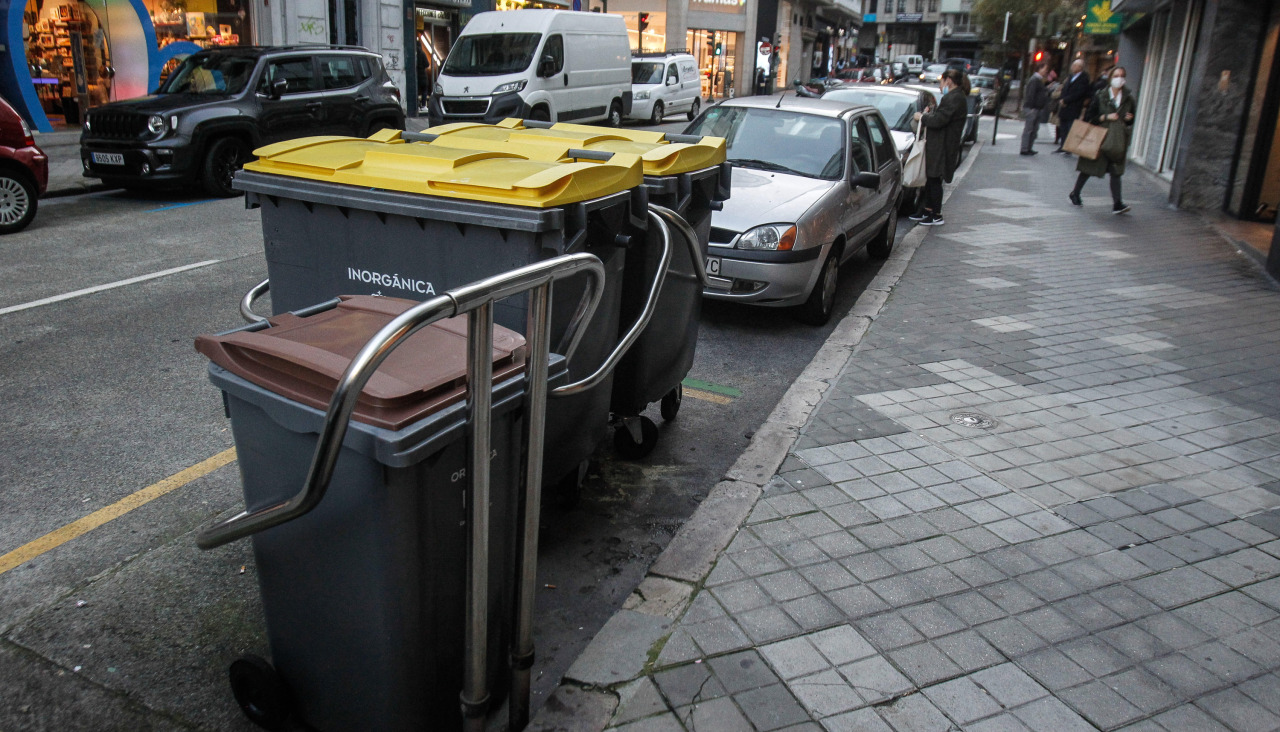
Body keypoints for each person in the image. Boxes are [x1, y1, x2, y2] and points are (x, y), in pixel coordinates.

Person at [1069, 66, 1137, 214]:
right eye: (1116, 75)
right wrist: (1105, 117)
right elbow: (1090, 117)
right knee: (1088, 167)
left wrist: (1128, 119)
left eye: (1122, 76)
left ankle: (1117, 203)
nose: (1119, 78)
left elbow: (1131, 119)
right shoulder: (1101, 95)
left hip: (1117, 140)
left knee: (1115, 171)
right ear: (1111, 77)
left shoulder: (1128, 99)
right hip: (1099, 138)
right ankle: (1075, 192)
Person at [910, 68, 968, 226]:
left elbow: (940, 120)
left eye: (941, 82)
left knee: (935, 179)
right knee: (931, 178)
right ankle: (928, 210)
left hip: (943, 145)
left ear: (948, 80)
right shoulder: (955, 97)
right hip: (940, 144)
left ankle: (936, 214)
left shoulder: (954, 98)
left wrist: (922, 117)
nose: (941, 86)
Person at [1056, 59, 1092, 153]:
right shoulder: (1070, 77)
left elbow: (1079, 93)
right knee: (1063, 126)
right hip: (1064, 106)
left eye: (1075, 65)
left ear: (1080, 68)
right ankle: (1062, 145)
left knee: (1070, 127)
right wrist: (1062, 99)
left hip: (1074, 106)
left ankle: (1069, 147)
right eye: (1073, 65)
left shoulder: (1084, 79)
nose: (1073, 67)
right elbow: (1064, 89)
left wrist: (1067, 100)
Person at [1021, 62, 1050, 155]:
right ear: (1040, 69)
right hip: (1032, 108)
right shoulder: (1035, 80)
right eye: (1045, 69)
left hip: (1036, 108)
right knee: (1029, 129)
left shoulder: (1039, 80)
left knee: (1034, 129)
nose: (1046, 71)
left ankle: (1029, 148)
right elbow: (1030, 94)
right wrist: (1032, 107)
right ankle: (1025, 148)